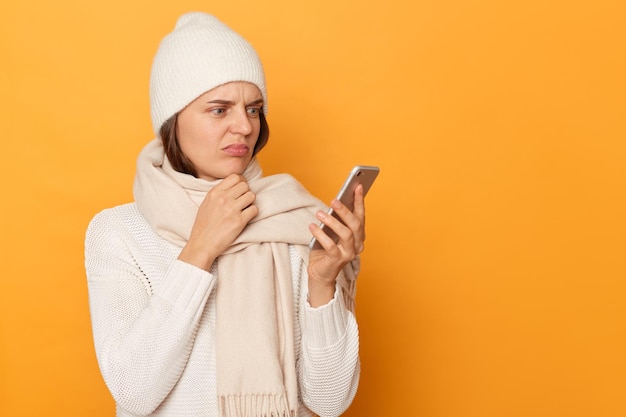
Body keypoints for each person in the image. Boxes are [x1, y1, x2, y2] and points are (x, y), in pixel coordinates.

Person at [85, 11, 366, 417]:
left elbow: (329, 399)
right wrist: (199, 250)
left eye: (253, 109)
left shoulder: (297, 220)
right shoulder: (119, 232)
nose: (244, 127)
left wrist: (322, 283)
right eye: (219, 110)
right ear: (173, 121)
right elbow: (134, 390)